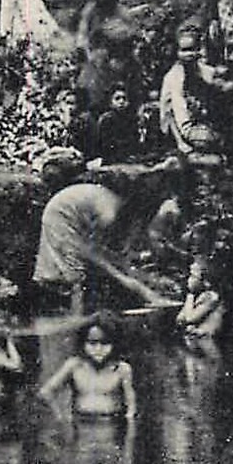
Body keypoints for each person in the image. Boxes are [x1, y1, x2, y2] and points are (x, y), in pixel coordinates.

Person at [32, 147, 181, 314]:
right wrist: (137, 286)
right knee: (74, 280)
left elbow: (115, 258)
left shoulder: (112, 203)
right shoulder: (109, 212)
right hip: (64, 223)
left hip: (68, 220)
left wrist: (143, 280)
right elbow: (96, 256)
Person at [159, 22, 233, 158]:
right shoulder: (172, 77)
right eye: (184, 50)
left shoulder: (204, 70)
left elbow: (220, 83)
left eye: (193, 49)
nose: (189, 55)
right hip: (187, 130)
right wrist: (181, 143)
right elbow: (167, 113)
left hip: (206, 123)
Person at [37, 322, 137, 421]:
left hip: (111, 421)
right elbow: (46, 391)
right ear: (83, 344)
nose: (98, 349)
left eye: (105, 343)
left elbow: (131, 405)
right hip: (81, 421)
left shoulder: (121, 368)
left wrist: (129, 428)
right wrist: (60, 417)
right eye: (92, 343)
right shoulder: (75, 365)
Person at [75, 0, 141, 115]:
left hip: (120, 55)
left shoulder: (120, 11)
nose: (103, 4)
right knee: (91, 81)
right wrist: (89, 53)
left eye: (106, 0)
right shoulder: (90, 11)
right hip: (98, 55)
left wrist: (117, 34)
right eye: (100, 0)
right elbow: (82, 36)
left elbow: (132, 31)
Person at [92, 84, 141, 162]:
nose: (121, 102)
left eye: (124, 98)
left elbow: (134, 140)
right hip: (110, 158)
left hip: (129, 157)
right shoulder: (106, 119)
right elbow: (105, 144)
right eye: (117, 99)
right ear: (111, 102)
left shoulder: (131, 119)